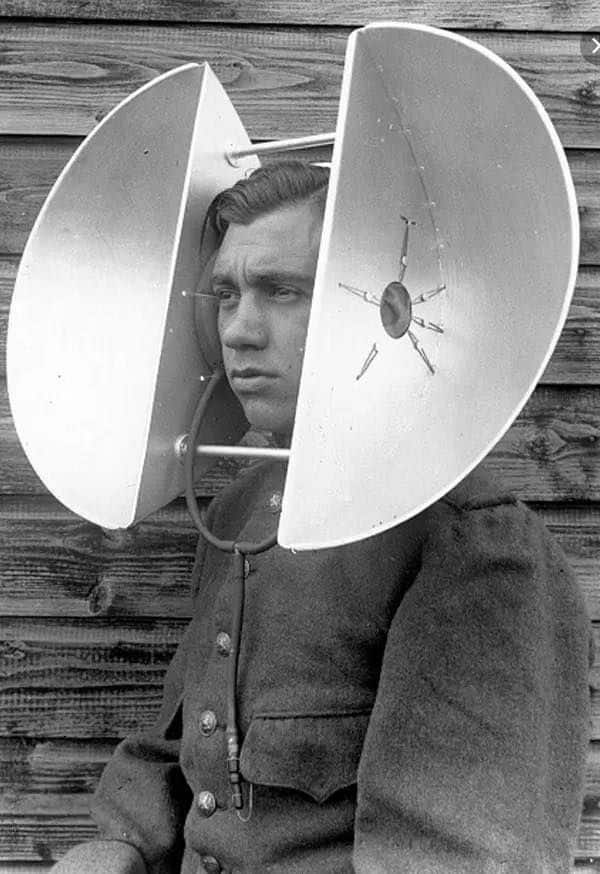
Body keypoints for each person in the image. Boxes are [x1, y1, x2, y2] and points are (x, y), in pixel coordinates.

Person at [51, 161, 593, 874]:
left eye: (282, 292)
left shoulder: (471, 542)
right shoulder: (243, 509)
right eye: (226, 294)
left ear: (366, 307)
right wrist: (120, 842)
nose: (239, 331)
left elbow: (458, 857)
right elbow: (186, 739)